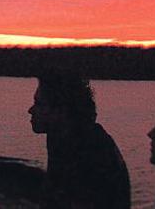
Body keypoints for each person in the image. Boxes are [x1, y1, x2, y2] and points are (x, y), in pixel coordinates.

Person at [28, 70, 131, 208]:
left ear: (61, 111)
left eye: (39, 104)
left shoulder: (92, 150)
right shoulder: (60, 136)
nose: (31, 110)